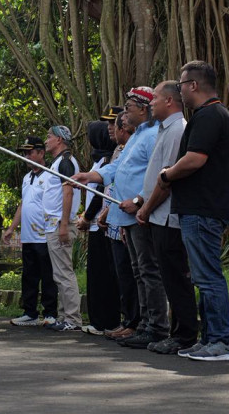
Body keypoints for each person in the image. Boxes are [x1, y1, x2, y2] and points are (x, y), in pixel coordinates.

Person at [72, 87, 166, 349]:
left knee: (148, 271)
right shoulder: (137, 136)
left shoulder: (152, 137)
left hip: (140, 214)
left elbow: (156, 175)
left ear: (143, 109)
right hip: (125, 216)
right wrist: (88, 176)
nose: (124, 115)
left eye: (128, 108)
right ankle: (142, 324)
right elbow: (117, 168)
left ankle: (156, 327)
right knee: (138, 272)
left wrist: (138, 201)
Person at [158, 61, 229, 362]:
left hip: (203, 208)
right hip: (203, 207)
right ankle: (209, 339)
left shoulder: (208, 116)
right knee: (203, 276)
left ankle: (220, 341)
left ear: (193, 85)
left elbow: (195, 159)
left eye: (181, 85)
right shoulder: (215, 115)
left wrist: (167, 174)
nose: (180, 91)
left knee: (208, 276)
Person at [136, 80, 199, 355]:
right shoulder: (163, 129)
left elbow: (168, 179)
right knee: (169, 276)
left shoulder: (177, 130)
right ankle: (178, 332)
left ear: (170, 101)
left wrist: (146, 208)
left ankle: (185, 335)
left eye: (155, 98)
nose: (151, 103)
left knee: (176, 277)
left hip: (168, 216)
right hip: (158, 215)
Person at [4, 136, 58, 326]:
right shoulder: (27, 178)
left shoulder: (50, 175)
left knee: (48, 275)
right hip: (28, 236)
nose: (26, 156)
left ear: (41, 153)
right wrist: (12, 228)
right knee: (29, 276)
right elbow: (23, 203)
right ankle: (30, 312)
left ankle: (50, 313)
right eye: (25, 153)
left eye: (30, 152)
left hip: (44, 235)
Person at [77, 121, 121, 335]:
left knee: (104, 275)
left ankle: (106, 320)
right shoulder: (101, 160)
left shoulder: (107, 161)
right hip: (96, 225)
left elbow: (100, 193)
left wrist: (87, 217)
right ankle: (98, 319)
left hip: (102, 224)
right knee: (96, 275)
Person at [100, 113, 142, 341]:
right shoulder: (120, 150)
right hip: (116, 219)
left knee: (134, 273)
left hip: (130, 215)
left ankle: (137, 322)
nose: (111, 128)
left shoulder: (139, 143)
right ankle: (128, 320)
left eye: (113, 124)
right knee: (124, 274)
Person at [42, 125, 82, 331]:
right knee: (59, 274)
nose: (46, 140)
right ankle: (64, 316)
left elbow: (68, 193)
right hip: (54, 224)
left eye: (49, 136)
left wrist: (64, 224)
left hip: (60, 223)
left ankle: (73, 319)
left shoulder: (66, 162)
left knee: (64, 273)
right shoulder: (59, 162)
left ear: (59, 139)